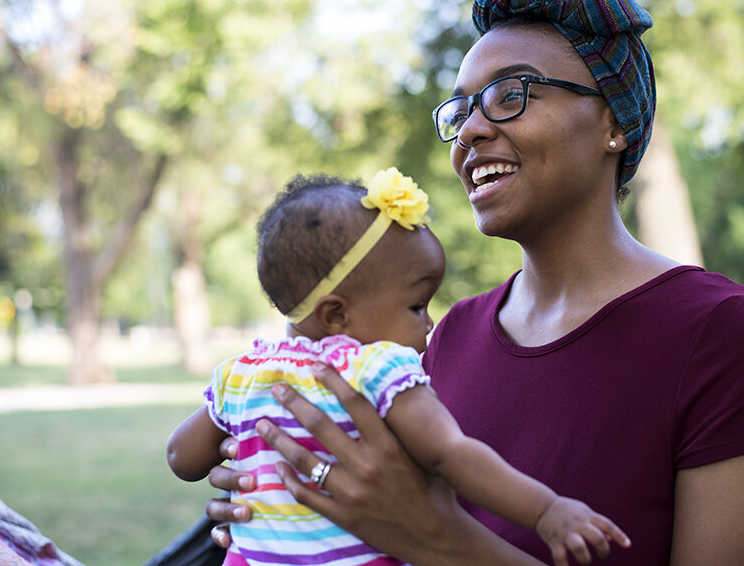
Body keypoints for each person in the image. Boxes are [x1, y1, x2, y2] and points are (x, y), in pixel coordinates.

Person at [200, 0, 744, 566]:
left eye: (510, 94)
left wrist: (440, 542)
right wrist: (286, 498)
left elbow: (421, 529)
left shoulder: (724, 335)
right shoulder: (445, 335)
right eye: (461, 108)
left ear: (613, 124)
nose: (472, 130)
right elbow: (377, 509)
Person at [166, 167, 630, 566]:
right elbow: (451, 453)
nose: (428, 324)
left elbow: (182, 459)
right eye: (415, 306)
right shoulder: (375, 366)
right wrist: (546, 511)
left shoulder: (243, 372)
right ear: (336, 316)